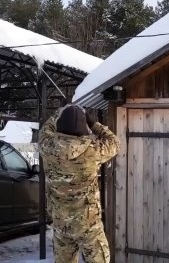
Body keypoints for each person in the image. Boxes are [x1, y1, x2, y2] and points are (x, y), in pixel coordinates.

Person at [38, 104, 120, 263]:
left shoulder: (47, 147)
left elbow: (44, 131)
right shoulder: (92, 150)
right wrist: (93, 124)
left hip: (61, 223)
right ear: (83, 127)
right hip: (88, 224)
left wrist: (58, 112)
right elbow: (114, 142)